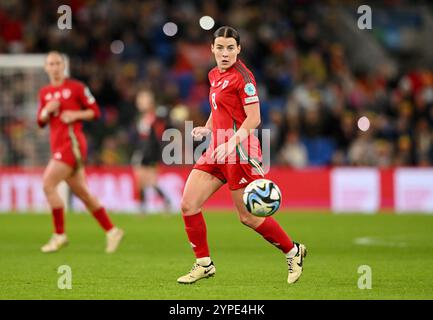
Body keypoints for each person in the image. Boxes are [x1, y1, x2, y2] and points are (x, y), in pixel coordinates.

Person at [177, 26, 307, 284]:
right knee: (188, 204)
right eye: (220, 47)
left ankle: (293, 251)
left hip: (240, 152)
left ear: (239, 49)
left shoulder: (244, 78)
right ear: (212, 49)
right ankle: (204, 264)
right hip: (218, 149)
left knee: (247, 217)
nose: (225, 53)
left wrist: (232, 141)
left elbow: (254, 118)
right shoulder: (214, 74)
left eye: (230, 48)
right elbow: (219, 108)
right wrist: (207, 127)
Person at [37, 51, 124, 253]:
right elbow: (40, 122)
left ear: (63, 66)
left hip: (72, 146)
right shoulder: (44, 93)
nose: (55, 67)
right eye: (51, 63)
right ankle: (112, 231)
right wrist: (46, 110)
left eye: (58, 63)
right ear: (46, 68)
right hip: (57, 147)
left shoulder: (76, 88)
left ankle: (59, 235)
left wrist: (74, 114)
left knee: (48, 184)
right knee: (84, 194)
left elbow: (95, 112)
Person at [131, 89, 171, 212]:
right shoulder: (142, 117)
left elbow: (159, 134)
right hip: (144, 150)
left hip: (149, 152)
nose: (140, 102)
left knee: (147, 180)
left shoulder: (156, 116)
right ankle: (155, 204)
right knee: (144, 180)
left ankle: (145, 206)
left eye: (143, 100)